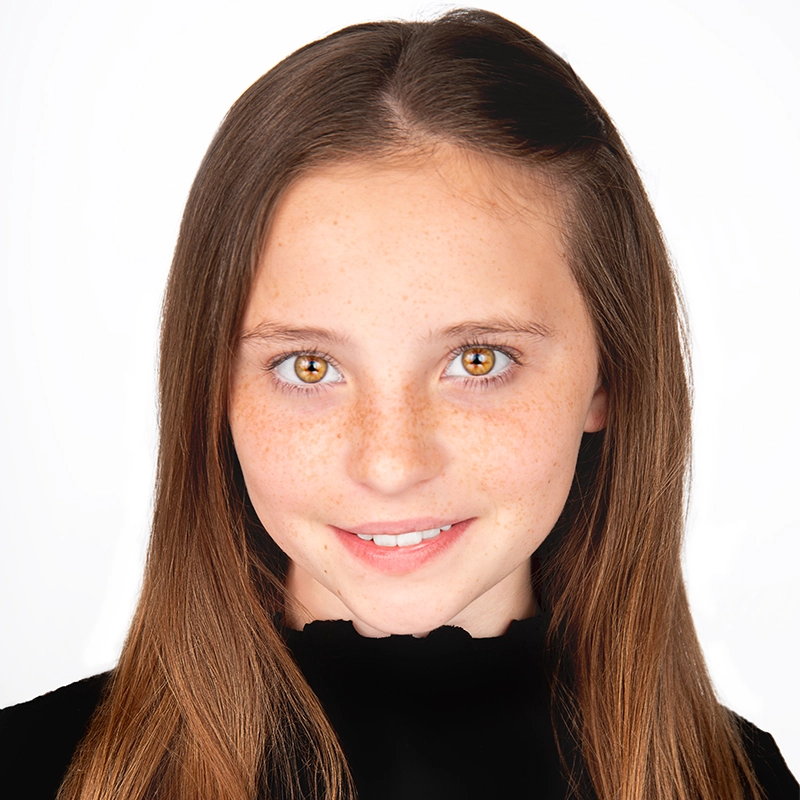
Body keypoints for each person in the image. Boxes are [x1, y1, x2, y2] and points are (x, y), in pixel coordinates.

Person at [1, 8, 796, 800]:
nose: (389, 464)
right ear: (213, 388)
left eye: (478, 360)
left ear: (607, 375)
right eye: (308, 367)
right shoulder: (30, 773)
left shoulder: (741, 784)